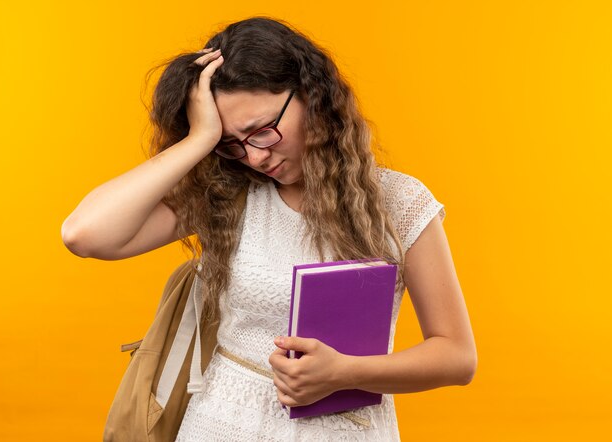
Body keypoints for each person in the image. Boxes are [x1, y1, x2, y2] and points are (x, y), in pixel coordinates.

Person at [61, 16, 477, 441]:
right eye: (232, 143)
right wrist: (200, 140)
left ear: (312, 95)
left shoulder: (398, 203)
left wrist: (344, 372)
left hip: (344, 430)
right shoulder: (232, 193)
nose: (255, 158)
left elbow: (456, 355)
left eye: (262, 131)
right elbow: (85, 234)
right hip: (219, 422)